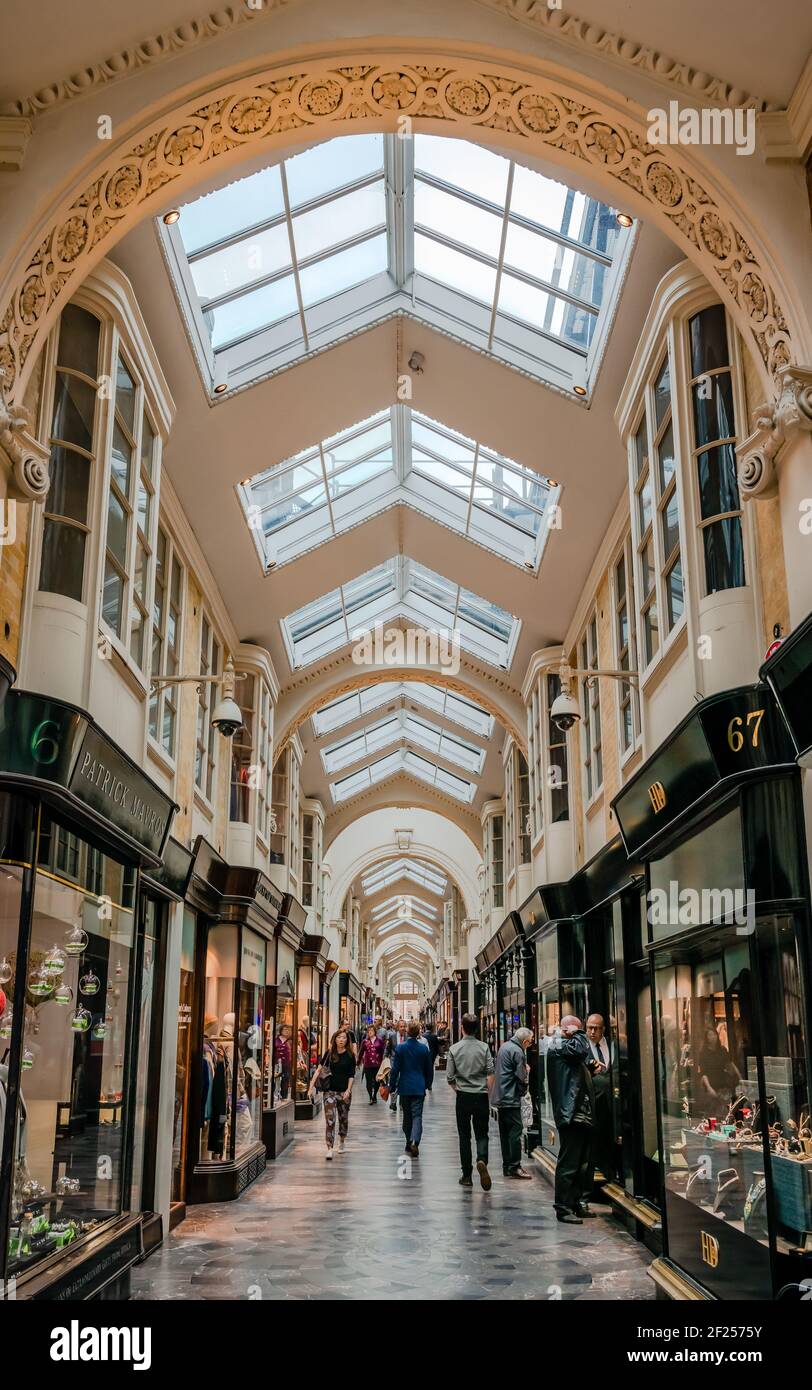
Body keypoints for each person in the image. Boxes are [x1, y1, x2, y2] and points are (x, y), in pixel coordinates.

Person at [546, 1015, 596, 1222]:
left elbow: (575, 1065)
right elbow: (578, 1050)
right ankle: (563, 1207)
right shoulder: (558, 1044)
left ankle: (574, 1202)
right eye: (580, 1030)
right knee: (569, 1162)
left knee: (581, 1162)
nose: (584, 1034)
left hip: (580, 1112)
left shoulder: (566, 1047)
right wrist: (580, 1032)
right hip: (571, 1113)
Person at [447, 1012, 494, 1189]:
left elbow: (450, 1077)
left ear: (462, 1029)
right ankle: (482, 1159)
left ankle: (466, 1175)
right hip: (481, 1095)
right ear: (477, 1029)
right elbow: (490, 1072)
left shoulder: (454, 1049)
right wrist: (486, 1093)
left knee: (464, 1136)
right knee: (482, 1133)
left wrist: (459, 1090)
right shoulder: (484, 1048)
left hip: (463, 1097)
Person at [308, 1027, 356, 1159]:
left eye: (344, 1038)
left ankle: (342, 1141)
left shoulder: (350, 1056)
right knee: (330, 1120)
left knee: (343, 1118)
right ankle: (329, 1147)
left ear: (347, 1040)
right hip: (329, 1092)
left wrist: (348, 1090)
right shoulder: (329, 1053)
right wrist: (311, 1086)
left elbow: (352, 1074)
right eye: (339, 1038)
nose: (341, 1040)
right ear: (334, 1039)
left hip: (343, 1092)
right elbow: (318, 1070)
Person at [492, 1027, 534, 1179]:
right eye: (530, 1042)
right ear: (524, 1041)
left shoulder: (504, 1047)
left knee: (505, 1133)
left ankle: (507, 1166)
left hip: (501, 1097)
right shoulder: (518, 1051)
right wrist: (524, 1089)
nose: (530, 1045)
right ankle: (515, 1166)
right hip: (510, 1098)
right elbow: (521, 1077)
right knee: (515, 1132)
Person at [389, 1020, 434, 1156]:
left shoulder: (401, 1048)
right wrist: (427, 1084)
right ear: (419, 1032)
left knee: (407, 1117)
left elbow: (395, 1070)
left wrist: (392, 1086)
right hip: (419, 1087)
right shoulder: (423, 1049)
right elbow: (429, 1069)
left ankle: (409, 1141)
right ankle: (415, 1141)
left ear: (408, 1032)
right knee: (417, 1116)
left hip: (405, 1087)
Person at [586, 1013, 616, 1183]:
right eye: (590, 1027)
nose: (592, 1032)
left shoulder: (614, 1045)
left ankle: (611, 1172)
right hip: (593, 1104)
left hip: (613, 1104)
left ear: (603, 1029)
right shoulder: (582, 1048)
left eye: (596, 1028)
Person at [358, 1024, 386, 1104]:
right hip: (368, 1064)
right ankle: (370, 1097)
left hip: (377, 1064)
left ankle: (374, 1096)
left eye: (371, 1031)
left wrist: (384, 1061)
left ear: (375, 1032)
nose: (370, 1032)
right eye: (368, 1031)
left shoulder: (379, 1041)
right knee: (369, 1082)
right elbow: (361, 1052)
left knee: (377, 1081)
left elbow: (383, 1051)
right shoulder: (365, 1041)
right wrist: (358, 1062)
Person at [273, 1023, 292, 1101]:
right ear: (281, 1030)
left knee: (285, 1079)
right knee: (276, 1079)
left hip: (286, 1064)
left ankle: (284, 1096)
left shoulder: (290, 1041)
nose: (287, 1031)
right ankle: (274, 1096)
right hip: (277, 1063)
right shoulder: (276, 1040)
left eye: (288, 1029)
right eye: (285, 1029)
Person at [423, 1022, 440, 1089]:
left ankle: (425, 1083)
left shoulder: (423, 1036)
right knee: (431, 1069)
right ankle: (429, 1085)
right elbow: (436, 1046)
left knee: (424, 1069)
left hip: (425, 1055)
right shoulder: (434, 1036)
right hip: (432, 1055)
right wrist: (436, 1054)